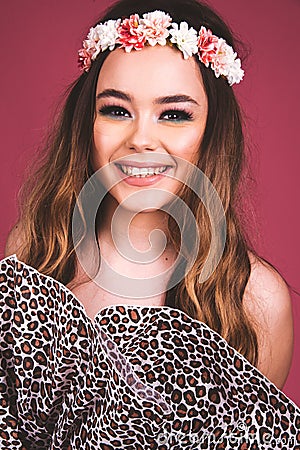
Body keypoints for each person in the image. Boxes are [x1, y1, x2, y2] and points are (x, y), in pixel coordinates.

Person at [1, 0, 299, 448]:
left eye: (175, 114)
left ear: (211, 130)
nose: (140, 138)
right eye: (116, 110)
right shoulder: (35, 252)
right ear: (88, 123)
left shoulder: (253, 300)